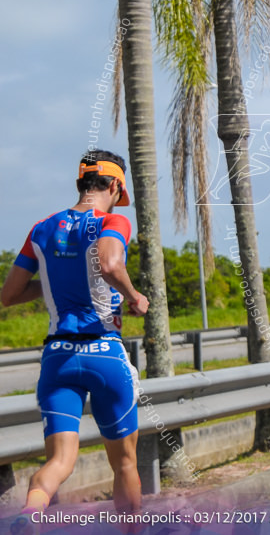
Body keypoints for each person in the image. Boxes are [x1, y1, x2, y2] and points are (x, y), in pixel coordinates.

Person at [0, 150, 148, 533]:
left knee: (59, 463)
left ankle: (30, 518)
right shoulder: (113, 220)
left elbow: (10, 294)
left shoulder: (43, 228)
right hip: (104, 354)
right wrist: (134, 298)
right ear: (115, 185)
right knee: (126, 463)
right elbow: (110, 262)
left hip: (58, 358)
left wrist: (52, 283)